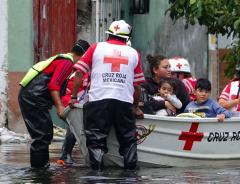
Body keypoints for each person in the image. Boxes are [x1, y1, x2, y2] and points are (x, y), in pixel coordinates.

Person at [69, 20, 145, 170]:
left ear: (109, 34)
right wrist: (135, 107)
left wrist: (73, 97)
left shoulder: (96, 47)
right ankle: (130, 175)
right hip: (124, 101)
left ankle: (96, 175)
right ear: (127, 38)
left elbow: (78, 73)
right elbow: (137, 87)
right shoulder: (134, 53)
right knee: (128, 141)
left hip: (98, 100)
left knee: (96, 141)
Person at [18, 39, 90, 169]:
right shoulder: (67, 63)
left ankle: (41, 167)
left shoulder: (62, 60)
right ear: (83, 56)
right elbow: (53, 85)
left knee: (44, 134)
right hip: (33, 97)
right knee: (42, 135)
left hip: (31, 96)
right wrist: (60, 107)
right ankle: (39, 171)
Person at [56, 71, 90, 165]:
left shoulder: (80, 73)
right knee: (74, 128)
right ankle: (65, 155)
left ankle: (65, 155)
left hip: (74, 103)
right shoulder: (82, 74)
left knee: (74, 128)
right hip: (73, 104)